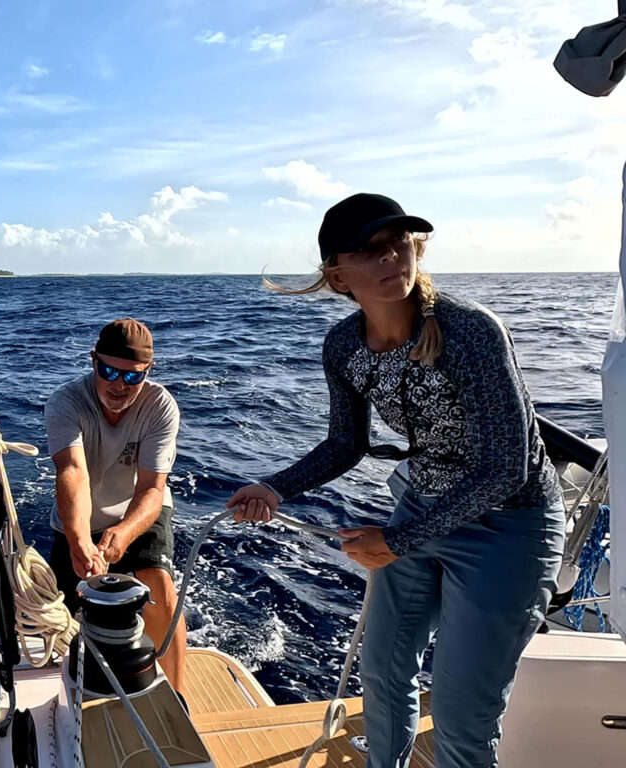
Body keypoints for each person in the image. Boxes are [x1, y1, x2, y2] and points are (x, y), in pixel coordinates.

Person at [226, 193, 565, 768]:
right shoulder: (343, 347)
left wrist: (398, 540)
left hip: (511, 529)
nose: (390, 260)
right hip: (421, 509)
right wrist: (276, 487)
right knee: (381, 674)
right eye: (370, 251)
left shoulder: (470, 332)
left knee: (461, 717)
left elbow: (507, 469)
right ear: (337, 275)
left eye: (399, 244)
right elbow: (344, 443)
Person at [44, 317, 187, 692]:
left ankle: (175, 698)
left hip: (138, 510)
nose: (119, 385)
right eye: (109, 371)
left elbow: (152, 490)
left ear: (148, 373)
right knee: (66, 612)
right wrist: (79, 541)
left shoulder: (161, 407)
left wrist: (122, 533)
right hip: (80, 517)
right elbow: (73, 471)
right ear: (93, 361)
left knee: (160, 589)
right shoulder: (65, 402)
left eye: (133, 376)